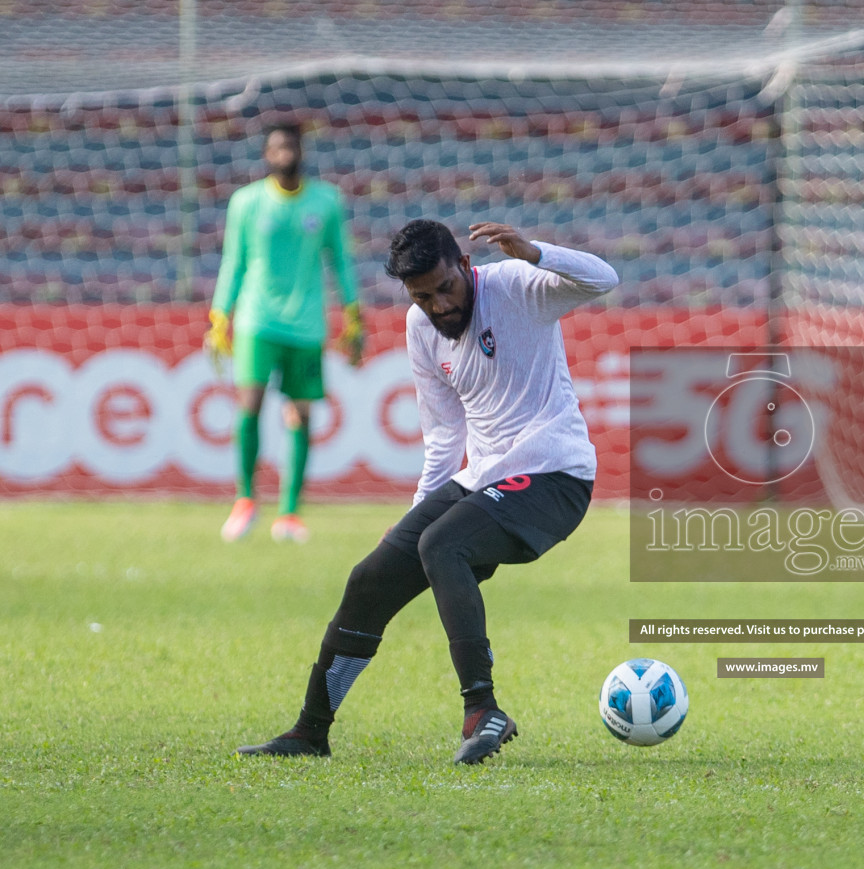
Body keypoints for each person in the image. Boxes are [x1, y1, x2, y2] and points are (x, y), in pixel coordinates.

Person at [236, 219, 617, 764]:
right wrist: (416, 514)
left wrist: (535, 252)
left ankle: (483, 710)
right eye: (423, 296)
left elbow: (604, 279)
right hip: (484, 476)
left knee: (443, 544)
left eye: (446, 288)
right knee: (371, 577)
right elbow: (444, 434)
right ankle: (310, 731)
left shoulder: (514, 284)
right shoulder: (420, 326)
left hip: (556, 475)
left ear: (465, 266)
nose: (439, 306)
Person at [205, 122, 364, 544]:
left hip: (309, 323)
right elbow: (233, 261)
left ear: (300, 150)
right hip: (258, 319)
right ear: (266, 154)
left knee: (301, 413)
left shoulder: (326, 201)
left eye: (290, 146)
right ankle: (245, 501)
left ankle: (290, 513)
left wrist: (353, 313)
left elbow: (341, 262)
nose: (284, 153)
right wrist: (221, 313)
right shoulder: (247, 202)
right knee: (249, 403)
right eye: (276, 147)